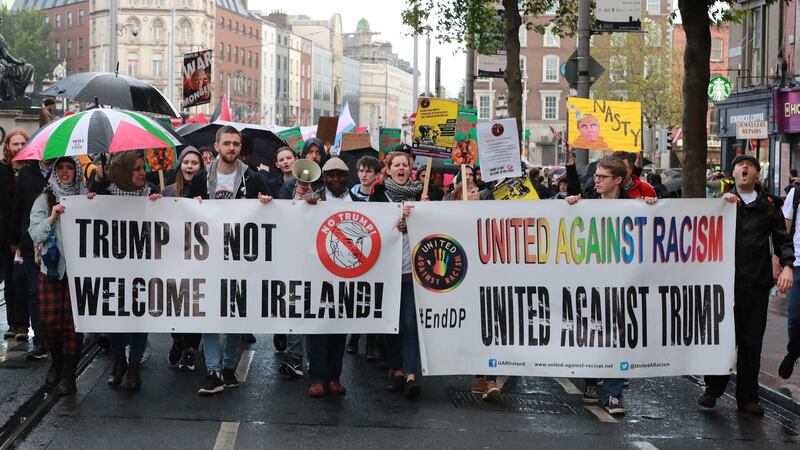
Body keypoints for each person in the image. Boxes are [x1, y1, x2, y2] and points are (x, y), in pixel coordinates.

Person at [699, 155, 793, 416]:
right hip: (724, 284)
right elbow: (700, 228)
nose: (744, 168)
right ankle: (713, 389)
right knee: (723, 338)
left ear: (755, 174)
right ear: (733, 173)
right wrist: (720, 204)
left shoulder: (769, 205)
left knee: (751, 343)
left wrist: (787, 265)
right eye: (740, 165)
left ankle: (748, 397)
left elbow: (782, 239)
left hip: (755, 284)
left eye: (750, 165)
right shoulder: (722, 201)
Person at [565, 151, 658, 416]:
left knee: (617, 336)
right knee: (592, 333)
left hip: (621, 284)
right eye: (595, 176)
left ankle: (614, 393)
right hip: (590, 282)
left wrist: (653, 207)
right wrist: (571, 202)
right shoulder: (585, 202)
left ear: (618, 180)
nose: (596, 181)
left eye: (602, 177)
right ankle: (593, 380)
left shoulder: (635, 205)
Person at [190, 125, 272, 396]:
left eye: (236, 144)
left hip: (240, 260)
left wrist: (266, 202)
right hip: (209, 260)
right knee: (210, 315)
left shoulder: (254, 178)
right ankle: (213, 370)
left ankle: (228, 368)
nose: (232, 148)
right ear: (217, 146)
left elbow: (270, 213)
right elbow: (183, 214)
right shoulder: (201, 179)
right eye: (227, 143)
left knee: (235, 314)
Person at [89, 152, 161, 390]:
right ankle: (119, 359)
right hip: (114, 269)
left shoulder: (150, 194)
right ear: (123, 172)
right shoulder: (106, 194)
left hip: (143, 269)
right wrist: (91, 199)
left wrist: (163, 206)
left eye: (143, 168)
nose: (143, 173)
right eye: (137, 169)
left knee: (139, 318)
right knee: (116, 317)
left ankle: (134, 365)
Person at [302, 158, 362, 397]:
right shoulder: (314, 198)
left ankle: (334, 377)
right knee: (317, 327)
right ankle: (317, 377)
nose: (335, 179)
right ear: (323, 177)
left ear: (347, 177)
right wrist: (305, 204)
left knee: (339, 326)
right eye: (330, 175)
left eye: (340, 175)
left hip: (345, 273)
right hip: (318, 273)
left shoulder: (358, 202)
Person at [27, 157, 87, 396]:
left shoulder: (85, 198)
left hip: (78, 270)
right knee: (50, 321)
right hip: (52, 270)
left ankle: (69, 375)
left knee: (74, 324)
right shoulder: (44, 199)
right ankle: (56, 361)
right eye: (60, 167)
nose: (64, 172)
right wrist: (52, 217)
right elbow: (35, 233)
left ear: (77, 171)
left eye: (70, 167)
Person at [370, 151, 425, 399]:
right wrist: (395, 224)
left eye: (405, 164)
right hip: (387, 272)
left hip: (413, 272)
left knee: (409, 324)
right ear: (389, 170)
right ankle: (397, 370)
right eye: (397, 165)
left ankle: (412, 374)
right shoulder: (378, 195)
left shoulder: (422, 194)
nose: (402, 168)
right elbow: (370, 227)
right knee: (391, 326)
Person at [161, 147, 203, 371]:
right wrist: (155, 201)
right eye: (186, 162)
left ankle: (190, 349)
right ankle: (177, 340)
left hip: (197, 259)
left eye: (194, 163)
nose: (189, 166)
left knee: (194, 304)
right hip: (172, 258)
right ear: (180, 166)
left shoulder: (206, 191)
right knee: (174, 303)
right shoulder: (168, 191)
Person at [9, 139, 49, 358]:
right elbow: (18, 207)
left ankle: (54, 336)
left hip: (57, 242)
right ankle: (41, 340)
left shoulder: (66, 168)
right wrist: (14, 238)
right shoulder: (27, 172)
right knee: (35, 291)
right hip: (30, 241)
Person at [345, 155, 383, 359]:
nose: (364, 175)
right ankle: (354, 336)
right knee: (357, 295)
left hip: (376, 251)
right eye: (361, 171)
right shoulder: (350, 195)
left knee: (372, 296)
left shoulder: (382, 196)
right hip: (356, 250)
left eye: (368, 171)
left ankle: (371, 343)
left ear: (377, 175)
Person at [1, 129, 27, 340]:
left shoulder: (32, 171)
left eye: (22, 144)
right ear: (7, 147)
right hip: (5, 237)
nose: (18, 147)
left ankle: (24, 324)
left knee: (26, 281)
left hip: (26, 236)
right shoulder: (2, 171)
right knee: (10, 280)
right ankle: (14, 323)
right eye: (15, 144)